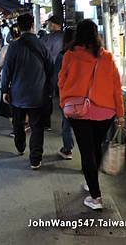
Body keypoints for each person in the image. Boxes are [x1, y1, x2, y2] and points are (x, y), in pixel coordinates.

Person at [58, 19, 124, 210]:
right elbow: (116, 88)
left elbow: (61, 81)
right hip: (105, 112)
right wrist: (120, 113)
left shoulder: (70, 55)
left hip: (78, 111)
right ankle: (91, 182)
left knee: (86, 151)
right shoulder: (107, 57)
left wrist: (64, 102)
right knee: (95, 147)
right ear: (96, 34)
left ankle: (95, 198)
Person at [1, 14, 51, 169]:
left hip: (17, 93)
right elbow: (50, 68)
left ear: (18, 27)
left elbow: (6, 70)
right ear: (32, 25)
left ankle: (20, 146)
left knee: (18, 122)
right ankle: (35, 159)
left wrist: (4, 89)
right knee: (37, 127)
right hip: (38, 93)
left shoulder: (14, 46)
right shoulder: (42, 45)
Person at [0, 24, 21, 137]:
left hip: (10, 82)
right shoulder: (29, 46)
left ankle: (16, 128)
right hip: (25, 82)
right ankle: (23, 125)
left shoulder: (6, 48)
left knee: (9, 107)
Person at [55, 27, 76, 160]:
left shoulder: (63, 55)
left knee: (67, 123)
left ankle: (67, 149)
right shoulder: (87, 54)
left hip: (67, 95)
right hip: (85, 95)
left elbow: (57, 77)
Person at [41, 15, 65, 131]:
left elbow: (42, 52)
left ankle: (46, 123)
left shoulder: (47, 38)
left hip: (50, 71)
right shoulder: (66, 37)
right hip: (65, 71)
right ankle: (66, 126)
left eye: (50, 23)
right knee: (63, 98)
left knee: (48, 96)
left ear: (56, 25)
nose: (48, 26)